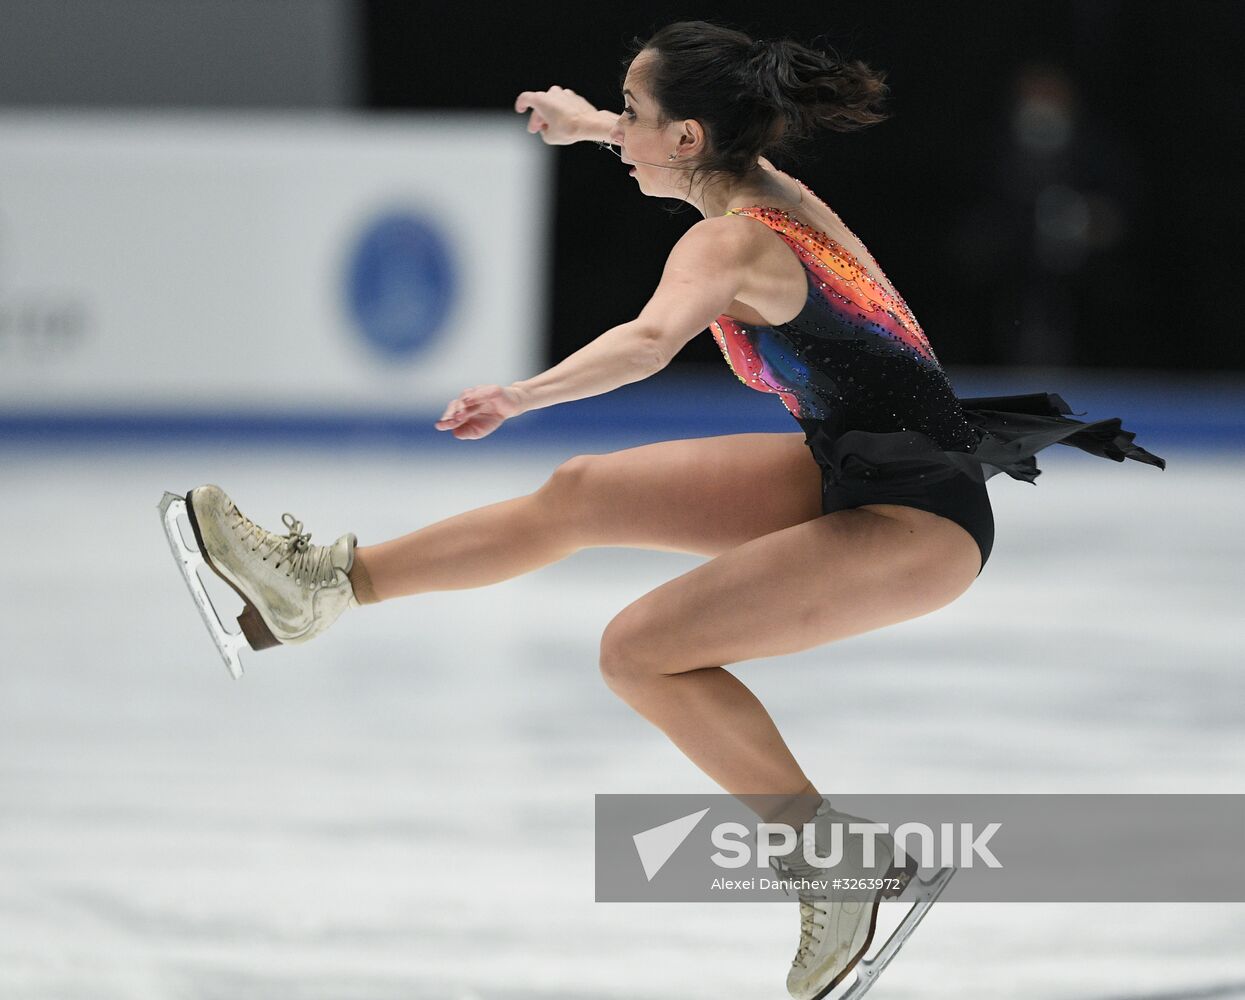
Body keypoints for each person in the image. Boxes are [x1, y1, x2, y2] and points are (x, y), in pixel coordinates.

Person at [174, 20, 1165, 1000]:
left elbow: (649, 341)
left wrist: (522, 394)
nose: (624, 128)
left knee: (637, 648)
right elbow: (677, 161)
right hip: (861, 467)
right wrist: (597, 126)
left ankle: (835, 862)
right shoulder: (765, 186)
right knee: (582, 494)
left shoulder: (730, 244)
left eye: (636, 113)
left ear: (690, 138)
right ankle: (321, 588)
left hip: (921, 519)